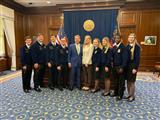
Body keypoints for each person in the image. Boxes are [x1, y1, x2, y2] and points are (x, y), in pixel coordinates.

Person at [126, 33, 141, 102]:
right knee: (128, 81)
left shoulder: (137, 47)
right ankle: (129, 94)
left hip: (133, 67)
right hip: (127, 67)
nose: (131, 38)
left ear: (134, 38)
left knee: (132, 82)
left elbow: (137, 59)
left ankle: (132, 96)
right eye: (129, 37)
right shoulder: (127, 46)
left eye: (132, 37)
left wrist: (135, 68)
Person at [112, 34, 128, 100]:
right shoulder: (114, 47)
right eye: (115, 38)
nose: (116, 39)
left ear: (121, 39)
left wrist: (122, 67)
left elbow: (125, 59)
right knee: (116, 81)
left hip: (121, 67)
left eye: (118, 38)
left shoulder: (123, 47)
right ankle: (116, 92)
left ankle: (120, 95)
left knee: (121, 82)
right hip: (115, 67)